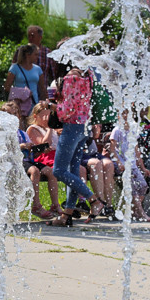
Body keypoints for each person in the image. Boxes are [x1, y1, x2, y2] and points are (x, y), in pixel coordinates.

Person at [52, 68, 104, 224]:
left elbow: (67, 110)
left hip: (71, 127)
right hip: (83, 127)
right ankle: (67, 215)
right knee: (73, 170)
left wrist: (53, 108)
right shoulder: (87, 80)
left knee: (59, 171)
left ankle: (94, 199)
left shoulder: (72, 80)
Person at [25, 101, 67, 224]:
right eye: (44, 116)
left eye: (49, 116)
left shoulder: (53, 130)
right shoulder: (33, 129)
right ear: (35, 117)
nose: (47, 119)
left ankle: (59, 204)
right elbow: (44, 144)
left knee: (75, 169)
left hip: (54, 157)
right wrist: (49, 128)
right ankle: (48, 204)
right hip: (42, 158)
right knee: (55, 171)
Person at [110, 116, 150, 222]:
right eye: (123, 114)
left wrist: (142, 168)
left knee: (143, 186)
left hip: (132, 165)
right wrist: (119, 162)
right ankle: (141, 213)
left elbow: (136, 150)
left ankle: (134, 209)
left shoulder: (133, 130)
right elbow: (112, 149)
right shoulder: (116, 130)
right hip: (123, 165)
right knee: (132, 186)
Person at [4, 44, 47, 116]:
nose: (37, 57)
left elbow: (42, 88)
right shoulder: (14, 68)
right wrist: (23, 92)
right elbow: (7, 87)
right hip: (18, 105)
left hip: (34, 104)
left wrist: (44, 104)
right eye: (35, 54)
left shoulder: (38, 69)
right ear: (28, 55)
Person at [27, 25, 55, 97]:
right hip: (24, 94)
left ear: (40, 37)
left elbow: (54, 76)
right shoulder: (21, 52)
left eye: (33, 36)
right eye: (29, 36)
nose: (30, 38)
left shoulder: (48, 54)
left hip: (41, 94)